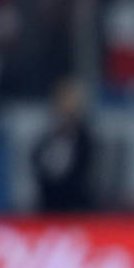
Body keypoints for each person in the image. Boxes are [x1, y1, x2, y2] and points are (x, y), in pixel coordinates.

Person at [31, 77, 96, 212]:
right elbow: (37, 166)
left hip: (76, 209)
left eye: (70, 100)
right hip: (47, 207)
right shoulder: (46, 137)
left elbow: (84, 177)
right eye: (62, 100)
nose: (66, 106)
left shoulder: (85, 140)